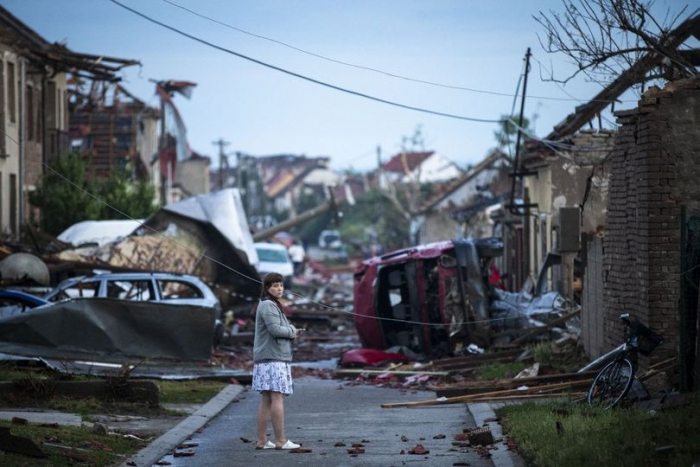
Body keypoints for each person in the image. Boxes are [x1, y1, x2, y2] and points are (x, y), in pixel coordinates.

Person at [252, 273, 301, 450]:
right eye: (274, 285)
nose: (279, 288)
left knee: (267, 399)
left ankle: (262, 440)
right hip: (273, 359)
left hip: (266, 358)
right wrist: (292, 331)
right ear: (266, 288)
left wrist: (289, 330)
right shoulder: (268, 305)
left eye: (280, 285)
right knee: (276, 397)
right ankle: (281, 440)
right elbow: (275, 330)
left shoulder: (268, 304)